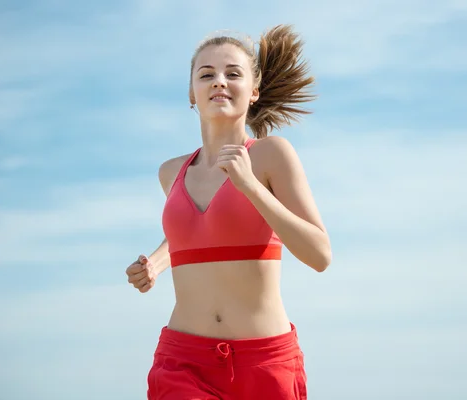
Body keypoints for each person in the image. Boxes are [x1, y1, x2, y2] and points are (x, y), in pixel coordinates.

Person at [125, 24, 331, 400]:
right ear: (192, 93)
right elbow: (193, 233)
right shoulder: (171, 172)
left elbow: (320, 255)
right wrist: (155, 263)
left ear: (253, 91)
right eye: (207, 74)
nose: (219, 81)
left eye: (233, 73)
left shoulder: (272, 155)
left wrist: (250, 186)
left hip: (264, 362)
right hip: (183, 363)